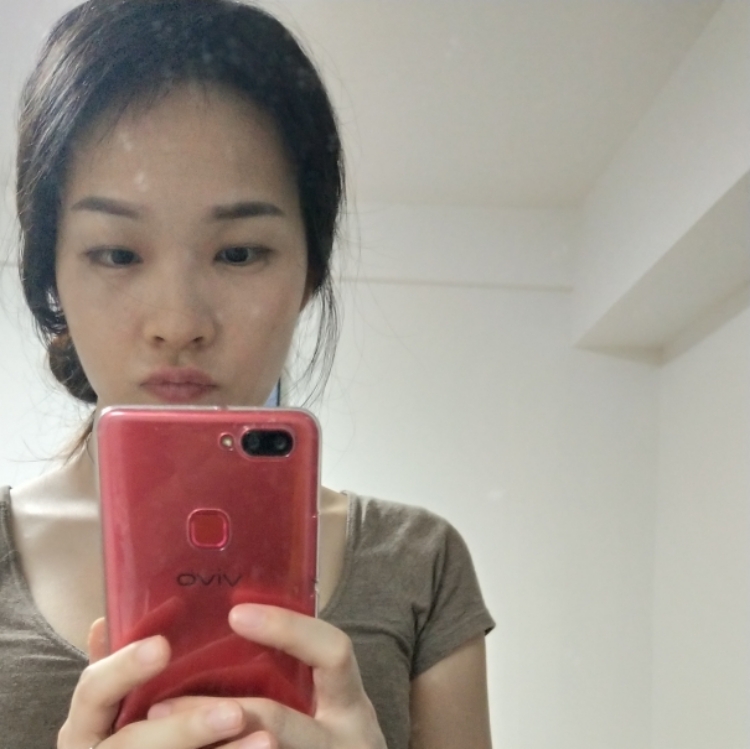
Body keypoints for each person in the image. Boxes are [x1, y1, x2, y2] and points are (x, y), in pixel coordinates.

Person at [0, 1, 495, 747]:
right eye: (117, 253)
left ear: (308, 273)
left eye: (238, 253)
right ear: (52, 277)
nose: (178, 321)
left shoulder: (419, 563)